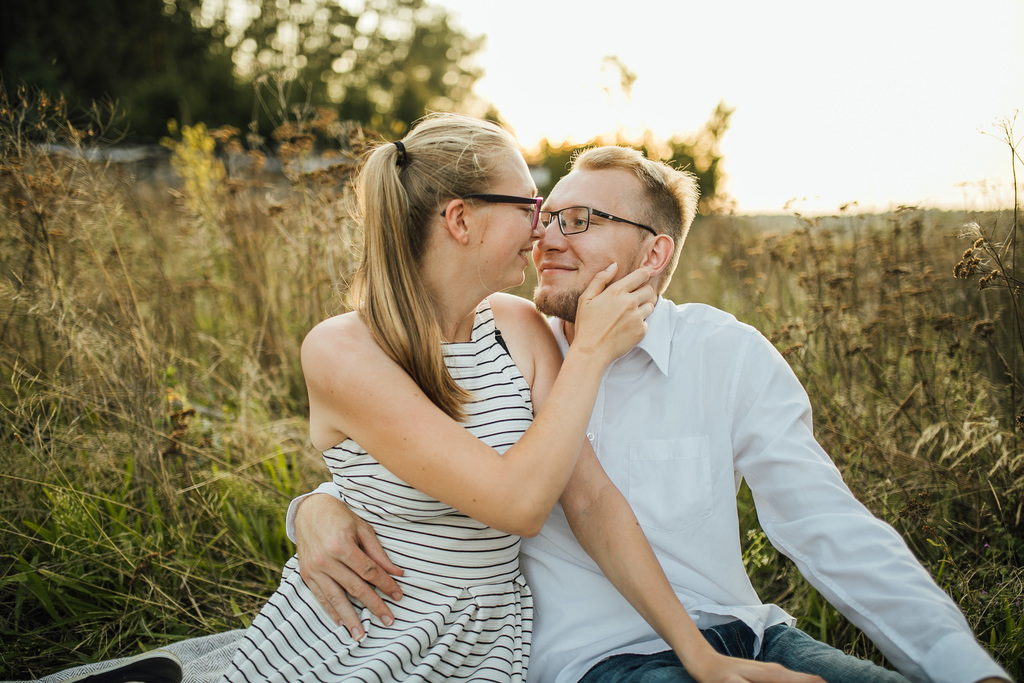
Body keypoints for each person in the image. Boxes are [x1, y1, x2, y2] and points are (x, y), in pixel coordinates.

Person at [289, 145, 1014, 683]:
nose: (545, 237)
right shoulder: (511, 342)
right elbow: (427, 456)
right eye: (543, 217)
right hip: (598, 660)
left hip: (752, 638)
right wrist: (318, 502)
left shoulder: (727, 354)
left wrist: (966, 668)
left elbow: (831, 527)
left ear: (654, 251)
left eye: (577, 220)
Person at [218, 115, 821, 683]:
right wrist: (590, 356)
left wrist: (700, 656)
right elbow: (517, 505)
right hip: (366, 639)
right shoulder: (342, 349)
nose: (543, 229)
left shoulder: (516, 326)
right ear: (460, 220)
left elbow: (590, 501)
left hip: (487, 651)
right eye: (529, 206)